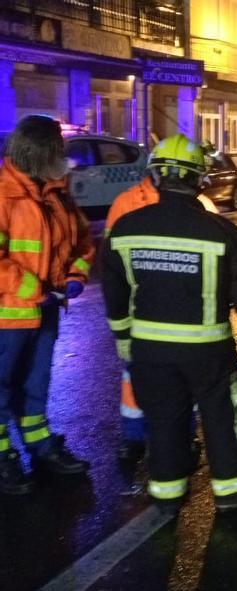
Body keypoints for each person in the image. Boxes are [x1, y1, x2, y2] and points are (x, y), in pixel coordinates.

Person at [101, 134, 237, 514]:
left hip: (149, 351)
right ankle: (232, 493)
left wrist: (123, 337)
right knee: (222, 419)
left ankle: (168, 494)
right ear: (199, 180)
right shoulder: (222, 231)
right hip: (208, 352)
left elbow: (114, 290)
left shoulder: (125, 229)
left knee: (164, 421)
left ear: (155, 176)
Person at [0, 115, 95, 495]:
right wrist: (31, 286)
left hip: (46, 311)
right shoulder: (4, 196)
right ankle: (4, 460)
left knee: (37, 386)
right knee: (2, 389)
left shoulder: (58, 194)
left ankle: (40, 446)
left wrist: (76, 275)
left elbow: (84, 243)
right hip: (9, 316)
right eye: (58, 150)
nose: (65, 157)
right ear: (39, 153)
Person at [104, 173, 218, 462]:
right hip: (143, 313)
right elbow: (112, 265)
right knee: (136, 377)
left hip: (182, 314)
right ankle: (135, 436)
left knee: (177, 380)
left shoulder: (201, 205)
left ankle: (183, 434)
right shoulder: (126, 203)